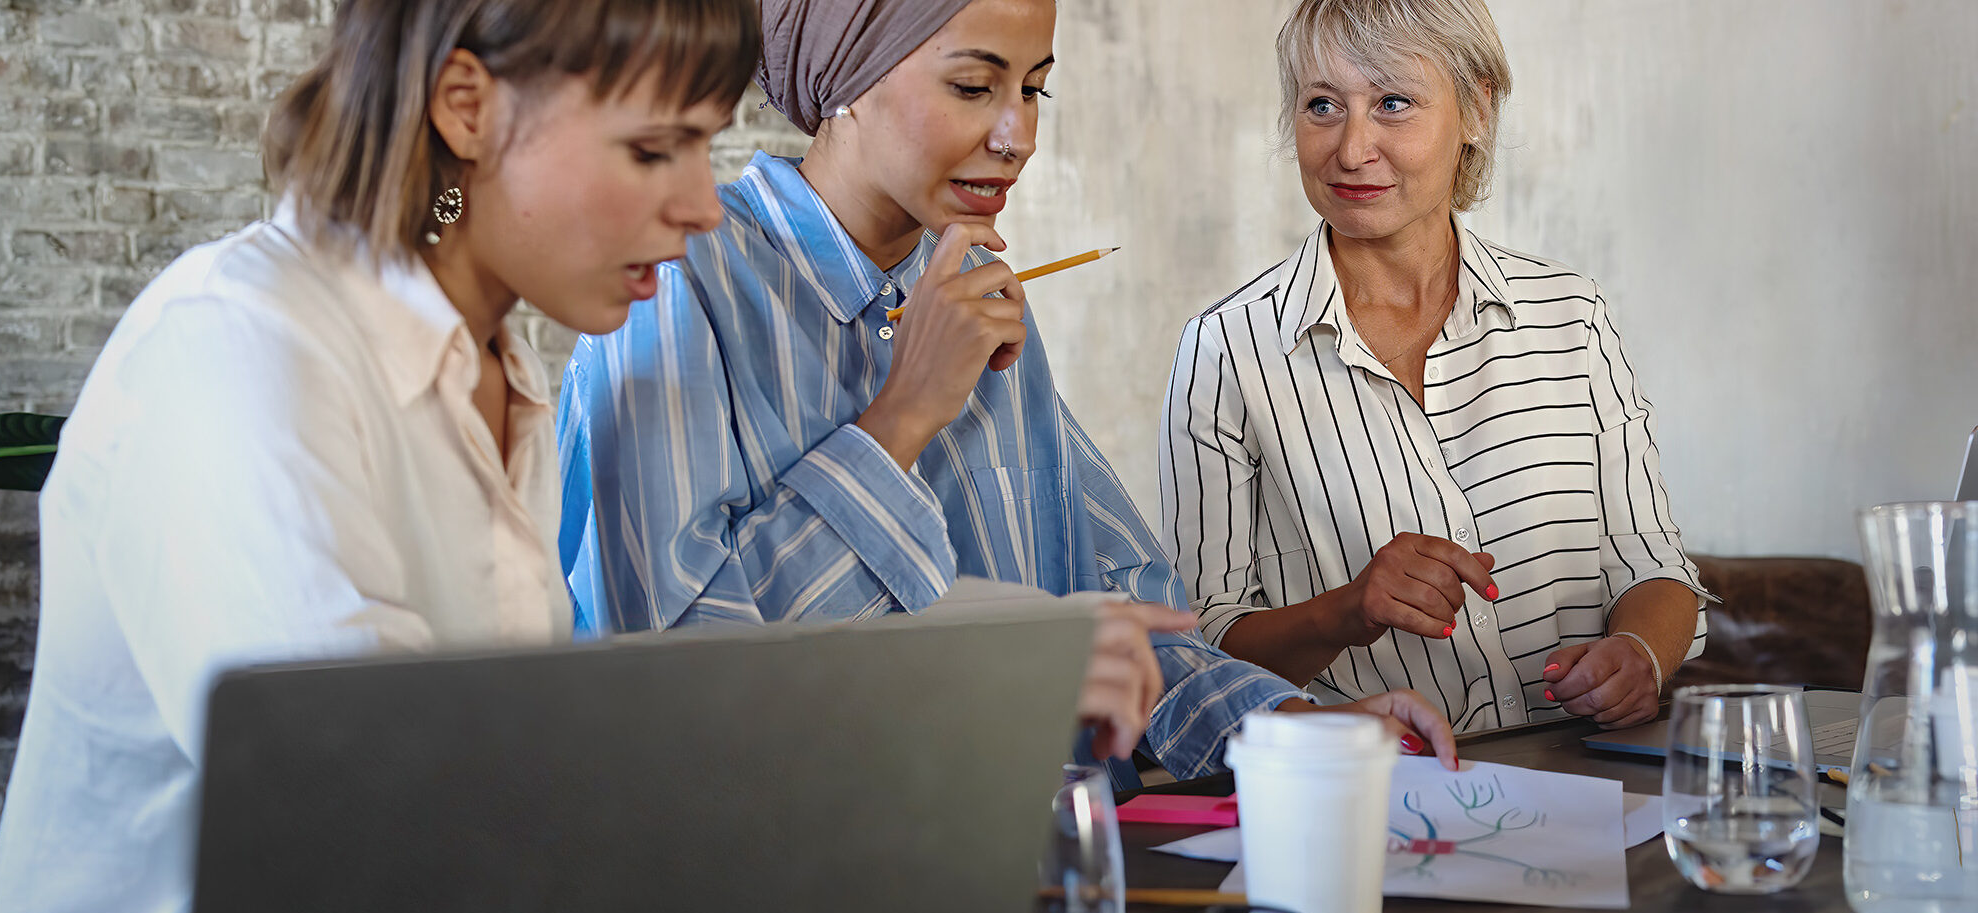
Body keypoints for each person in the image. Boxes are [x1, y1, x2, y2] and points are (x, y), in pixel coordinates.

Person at [0, 1, 759, 913]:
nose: (704, 204)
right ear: (465, 108)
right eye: (656, 150)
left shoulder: (499, 371)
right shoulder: (239, 348)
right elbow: (366, 823)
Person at [556, 0, 1461, 786]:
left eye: (1034, 88)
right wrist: (905, 414)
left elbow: (1124, 619)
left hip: (1052, 879)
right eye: (972, 86)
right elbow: (678, 682)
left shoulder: (975, 289)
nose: (1018, 135)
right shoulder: (678, 283)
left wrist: (1298, 730)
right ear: (846, 78)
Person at [1160, 0, 1710, 737]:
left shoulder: (1572, 316)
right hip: (1375, 795)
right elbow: (1204, 647)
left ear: (1476, 108)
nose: (1352, 149)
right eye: (1322, 105)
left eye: (1393, 103)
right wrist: (1347, 609)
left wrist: (1640, 655)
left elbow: (1655, 565)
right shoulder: (1225, 350)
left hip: (1580, 774)